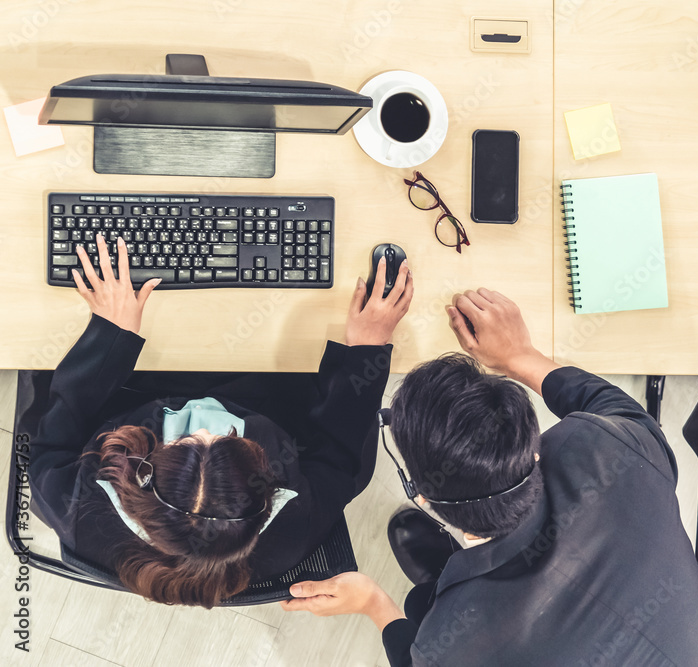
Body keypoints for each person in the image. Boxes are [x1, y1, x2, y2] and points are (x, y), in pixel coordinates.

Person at [281, 288, 698, 666]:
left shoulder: (452, 645)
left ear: (425, 497)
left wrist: (373, 601)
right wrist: (519, 356)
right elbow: (609, 404)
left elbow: (417, 659)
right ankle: (464, 570)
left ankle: (446, 578)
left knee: (422, 605)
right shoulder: (612, 447)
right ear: (534, 447)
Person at [28, 234, 413, 608]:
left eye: (187, 443)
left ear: (140, 477)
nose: (202, 428)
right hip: (265, 392)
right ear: (268, 497)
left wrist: (110, 335)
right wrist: (367, 348)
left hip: (135, 387)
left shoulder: (75, 509)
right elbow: (341, 457)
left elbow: (52, 440)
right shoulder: (293, 528)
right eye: (221, 441)